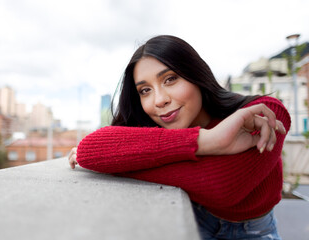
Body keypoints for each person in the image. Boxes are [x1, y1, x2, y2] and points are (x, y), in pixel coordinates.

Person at [68, 35, 290, 240]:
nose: (159, 100)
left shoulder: (263, 114)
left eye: (170, 79)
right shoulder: (161, 125)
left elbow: (222, 188)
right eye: (145, 90)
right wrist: (210, 140)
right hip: (196, 219)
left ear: (196, 75)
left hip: (257, 232)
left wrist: (122, 162)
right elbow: (90, 149)